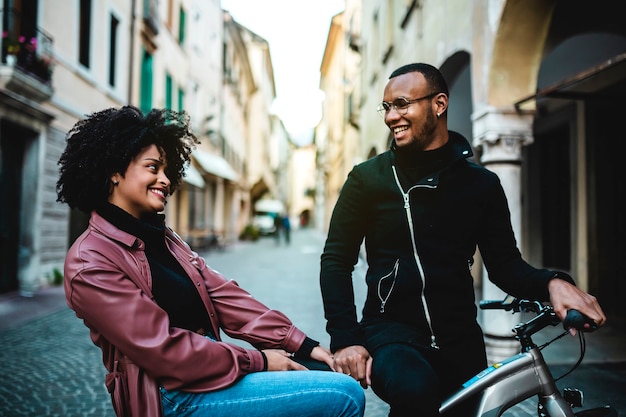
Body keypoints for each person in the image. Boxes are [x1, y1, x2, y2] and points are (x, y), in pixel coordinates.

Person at [319, 63, 607, 417]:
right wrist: (346, 338)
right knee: (416, 389)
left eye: (403, 104)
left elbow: (505, 267)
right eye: (387, 107)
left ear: (439, 104)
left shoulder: (481, 185)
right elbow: (336, 260)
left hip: (461, 340)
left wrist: (553, 283)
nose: (392, 116)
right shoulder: (368, 179)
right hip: (390, 333)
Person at [56, 106, 365, 417]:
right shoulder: (90, 261)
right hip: (170, 396)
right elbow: (163, 348)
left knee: (325, 373)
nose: (164, 180)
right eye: (153, 168)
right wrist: (260, 360)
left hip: (209, 371)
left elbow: (225, 297)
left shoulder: (162, 237)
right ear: (113, 170)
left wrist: (302, 344)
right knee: (346, 396)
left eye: (167, 170)